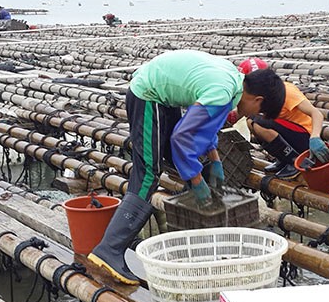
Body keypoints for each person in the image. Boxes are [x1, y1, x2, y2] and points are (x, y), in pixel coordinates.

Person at [88, 49, 286, 285]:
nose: (255, 116)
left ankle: (190, 207)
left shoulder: (232, 82)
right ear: (258, 100)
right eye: (260, 112)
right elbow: (182, 137)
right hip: (148, 95)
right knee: (148, 173)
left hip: (161, 93)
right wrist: (196, 181)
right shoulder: (222, 92)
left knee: (173, 158)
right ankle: (109, 250)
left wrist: (214, 160)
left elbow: (205, 127)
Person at [232, 57, 329, 179]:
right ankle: (283, 158)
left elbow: (316, 113)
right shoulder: (257, 97)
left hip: (305, 136)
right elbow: (239, 113)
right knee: (252, 121)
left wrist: (315, 137)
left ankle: (294, 160)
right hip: (287, 134)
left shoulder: (287, 92)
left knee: (256, 121)